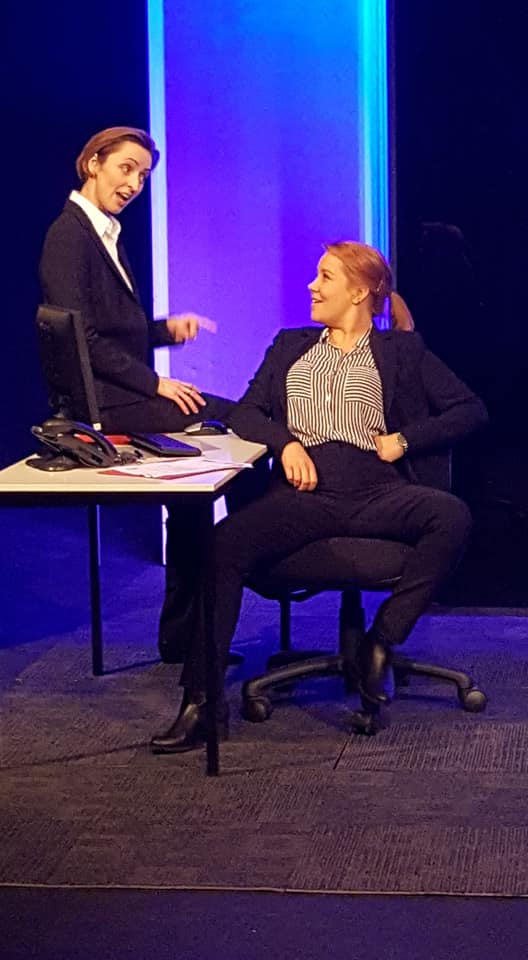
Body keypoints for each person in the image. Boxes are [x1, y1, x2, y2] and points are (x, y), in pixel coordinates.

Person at [150, 240, 488, 754]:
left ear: (359, 291)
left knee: (452, 516)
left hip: (377, 489)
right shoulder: (291, 345)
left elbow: (470, 409)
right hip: (306, 491)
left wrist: (404, 440)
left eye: (326, 276)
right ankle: (201, 702)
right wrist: (285, 444)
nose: (312, 285)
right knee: (224, 544)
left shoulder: (401, 351)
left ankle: (381, 640)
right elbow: (246, 412)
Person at [39, 126, 267, 658]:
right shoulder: (69, 235)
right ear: (93, 164)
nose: (134, 184)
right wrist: (156, 383)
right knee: (231, 415)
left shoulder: (102, 232)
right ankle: (259, 553)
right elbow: (83, 338)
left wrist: (164, 331)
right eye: (126, 169)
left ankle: (184, 636)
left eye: (142, 175)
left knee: (193, 498)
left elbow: (111, 327)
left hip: (122, 391)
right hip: (107, 403)